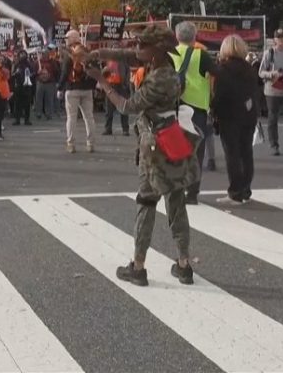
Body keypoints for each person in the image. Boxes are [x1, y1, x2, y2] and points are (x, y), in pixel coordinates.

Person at [87, 25, 196, 287]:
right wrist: (98, 52)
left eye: (142, 45)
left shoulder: (159, 78)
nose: (137, 49)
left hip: (155, 144)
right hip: (173, 137)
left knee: (146, 202)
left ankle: (138, 267)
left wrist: (102, 82)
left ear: (156, 51)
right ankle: (184, 265)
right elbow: (128, 56)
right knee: (176, 199)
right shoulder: (166, 66)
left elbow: (126, 106)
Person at [169, 22, 216, 203]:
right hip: (196, 107)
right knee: (196, 151)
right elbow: (216, 72)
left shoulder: (169, 54)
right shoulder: (200, 55)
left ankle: (176, 187)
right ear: (195, 36)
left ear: (177, 35)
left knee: (175, 149)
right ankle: (192, 192)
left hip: (174, 106)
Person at [211, 35, 260, 204]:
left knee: (232, 154)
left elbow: (219, 95)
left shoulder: (222, 70)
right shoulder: (250, 69)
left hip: (229, 116)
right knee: (246, 152)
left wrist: (213, 111)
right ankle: (245, 189)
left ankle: (235, 191)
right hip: (249, 114)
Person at [58, 30, 96, 154]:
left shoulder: (69, 53)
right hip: (87, 89)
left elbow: (64, 72)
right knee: (89, 118)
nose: (66, 40)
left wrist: (59, 87)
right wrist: (93, 86)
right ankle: (90, 143)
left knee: (71, 118)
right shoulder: (87, 52)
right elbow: (95, 70)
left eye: (67, 37)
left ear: (73, 38)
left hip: (72, 88)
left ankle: (71, 144)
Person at [102, 52, 131, 136]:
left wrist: (125, 84)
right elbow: (103, 73)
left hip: (121, 86)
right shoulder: (108, 61)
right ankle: (108, 129)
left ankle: (125, 129)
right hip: (110, 86)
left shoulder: (123, 62)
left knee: (123, 108)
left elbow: (127, 73)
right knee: (109, 109)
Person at [34, 51, 60, 120]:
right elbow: (34, 72)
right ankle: (38, 112)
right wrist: (37, 72)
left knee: (49, 99)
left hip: (50, 83)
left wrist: (56, 81)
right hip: (40, 82)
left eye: (45, 54)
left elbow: (56, 71)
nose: (44, 55)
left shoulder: (52, 62)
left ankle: (49, 114)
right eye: (42, 54)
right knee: (39, 98)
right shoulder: (38, 62)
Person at [10, 53, 34, 126]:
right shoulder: (16, 64)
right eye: (21, 54)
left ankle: (27, 120)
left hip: (27, 86)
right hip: (18, 86)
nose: (22, 56)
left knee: (27, 104)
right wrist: (16, 73)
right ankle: (17, 119)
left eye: (24, 54)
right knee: (17, 104)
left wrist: (31, 75)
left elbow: (33, 73)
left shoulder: (29, 64)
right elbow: (12, 75)